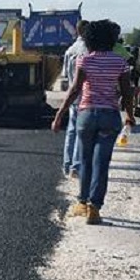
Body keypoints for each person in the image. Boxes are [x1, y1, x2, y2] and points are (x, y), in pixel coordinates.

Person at [51, 19, 135, 225]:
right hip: (109, 116)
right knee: (101, 163)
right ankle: (94, 208)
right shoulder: (119, 62)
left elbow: (75, 90)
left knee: (85, 161)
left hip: (86, 116)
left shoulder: (85, 60)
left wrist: (59, 114)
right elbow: (127, 92)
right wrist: (130, 115)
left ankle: (81, 202)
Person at [60, 18, 89, 178]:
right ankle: (76, 167)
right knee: (81, 133)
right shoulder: (87, 50)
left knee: (71, 131)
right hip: (84, 96)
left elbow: (65, 76)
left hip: (72, 96)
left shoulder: (70, 50)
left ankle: (66, 164)